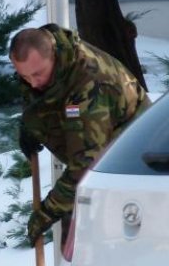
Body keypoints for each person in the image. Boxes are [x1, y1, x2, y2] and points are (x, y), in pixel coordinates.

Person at [9, 25, 150, 247]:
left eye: (37, 74)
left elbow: (86, 165)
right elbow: (42, 95)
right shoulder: (51, 63)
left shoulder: (89, 86)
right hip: (102, 156)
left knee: (90, 245)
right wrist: (32, 124)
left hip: (131, 167)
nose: (33, 82)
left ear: (53, 55)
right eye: (24, 76)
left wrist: (46, 212)